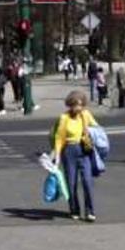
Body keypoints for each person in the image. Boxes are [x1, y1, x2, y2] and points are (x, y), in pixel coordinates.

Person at [52, 90, 99, 222]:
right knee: (71, 183)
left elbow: (96, 128)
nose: (78, 108)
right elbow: (59, 137)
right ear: (70, 105)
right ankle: (74, 209)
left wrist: (89, 133)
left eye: (80, 105)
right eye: (75, 105)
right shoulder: (64, 118)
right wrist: (57, 155)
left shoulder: (86, 115)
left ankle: (90, 211)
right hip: (69, 151)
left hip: (84, 150)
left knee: (87, 182)